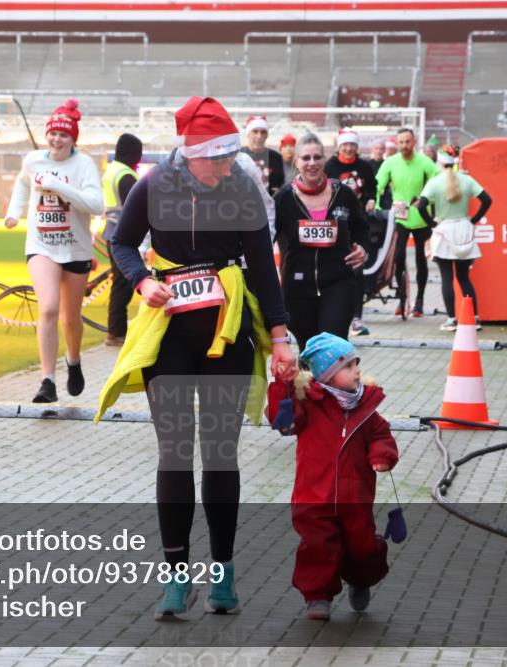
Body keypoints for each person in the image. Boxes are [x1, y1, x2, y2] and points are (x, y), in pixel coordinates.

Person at [96, 96, 297, 621]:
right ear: (193, 154)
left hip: (226, 332)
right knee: (175, 452)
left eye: (233, 157)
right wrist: (142, 282)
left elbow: (261, 266)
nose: (230, 166)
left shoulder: (243, 187)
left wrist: (279, 335)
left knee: (220, 452)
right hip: (171, 335)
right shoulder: (154, 185)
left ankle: (223, 573)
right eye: (221, 158)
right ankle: (175, 577)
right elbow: (120, 242)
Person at [267, 333, 399, 620]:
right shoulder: (307, 405)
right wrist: (282, 385)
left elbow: (381, 434)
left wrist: (381, 455)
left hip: (355, 497)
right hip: (313, 495)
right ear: (327, 375)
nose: (357, 371)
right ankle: (317, 596)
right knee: (317, 546)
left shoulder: (365, 409)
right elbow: (283, 422)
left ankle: (360, 579)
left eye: (357, 364)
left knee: (362, 546)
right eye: (349, 366)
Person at [5, 99, 104, 403]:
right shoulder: (34, 160)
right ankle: (47, 381)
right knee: (48, 307)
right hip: (41, 245)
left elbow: (96, 205)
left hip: (75, 249)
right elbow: (23, 184)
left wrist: (60, 187)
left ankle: (73, 361)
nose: (56, 140)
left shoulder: (83, 164)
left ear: (74, 140)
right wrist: (14, 212)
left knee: (70, 318)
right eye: (53, 134)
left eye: (64, 135)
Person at [275, 133, 368, 350]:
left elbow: (361, 227)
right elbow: (265, 236)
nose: (312, 163)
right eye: (305, 158)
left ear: (325, 159)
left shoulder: (343, 193)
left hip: (338, 281)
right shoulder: (283, 198)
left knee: (333, 347)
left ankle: (332, 385)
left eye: (317, 157)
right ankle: (308, 385)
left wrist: (363, 248)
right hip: (297, 286)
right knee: (308, 350)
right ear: (296, 161)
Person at [417, 145, 493, 331]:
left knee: (446, 277)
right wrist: (474, 219)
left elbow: (421, 206)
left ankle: (451, 319)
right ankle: (474, 318)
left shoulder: (434, 182)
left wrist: (431, 223)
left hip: (443, 230)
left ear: (440, 161)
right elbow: (487, 200)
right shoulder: (467, 180)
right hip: (464, 229)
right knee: (464, 277)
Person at [375, 127, 440, 317]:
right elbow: (377, 184)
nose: (404, 146)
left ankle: (419, 301)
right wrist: (377, 206)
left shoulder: (425, 162)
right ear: (396, 143)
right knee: (398, 257)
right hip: (400, 216)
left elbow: (438, 184)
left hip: (421, 217)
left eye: (408, 142)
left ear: (414, 142)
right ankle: (402, 298)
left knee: (421, 260)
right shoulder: (390, 163)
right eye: (401, 142)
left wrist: (428, 200)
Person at [324, 128, 378, 336]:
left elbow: (372, 186)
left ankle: (357, 317)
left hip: (358, 222)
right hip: (333, 225)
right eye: (345, 144)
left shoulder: (364, 166)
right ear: (339, 146)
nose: (348, 148)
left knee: (357, 270)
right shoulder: (330, 166)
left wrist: (371, 198)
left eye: (352, 145)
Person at [101, 133, 143, 347]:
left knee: (120, 283)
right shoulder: (126, 176)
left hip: (112, 232)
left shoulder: (112, 171)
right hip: (124, 237)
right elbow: (138, 208)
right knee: (123, 285)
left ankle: (116, 330)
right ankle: (116, 333)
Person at [240, 115, 285, 195]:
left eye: (263, 132)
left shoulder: (276, 157)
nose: (259, 136)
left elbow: (281, 183)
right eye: (255, 131)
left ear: (267, 135)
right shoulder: (238, 156)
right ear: (248, 134)